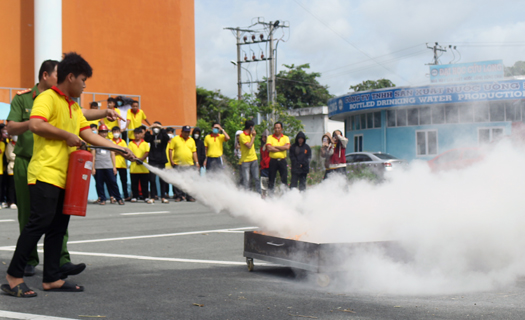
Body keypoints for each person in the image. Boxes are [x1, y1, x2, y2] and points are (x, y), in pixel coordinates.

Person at [2, 52, 134, 297]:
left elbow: (87, 134)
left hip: (65, 176)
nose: (85, 85)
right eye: (83, 79)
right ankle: (13, 275)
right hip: (45, 172)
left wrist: (118, 148)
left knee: (58, 227)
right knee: (38, 224)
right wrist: (65, 135)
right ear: (70, 76)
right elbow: (35, 125)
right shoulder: (47, 98)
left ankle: (52, 278)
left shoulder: (73, 106)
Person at [91, 124, 124, 205]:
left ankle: (118, 198)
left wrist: (114, 167)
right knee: (99, 184)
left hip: (108, 165)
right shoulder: (94, 142)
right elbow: (93, 156)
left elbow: (112, 154)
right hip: (98, 166)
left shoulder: (110, 142)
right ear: (99, 132)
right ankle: (102, 199)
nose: (104, 134)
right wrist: (93, 168)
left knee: (113, 182)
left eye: (105, 132)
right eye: (102, 132)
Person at [168, 125, 198, 202]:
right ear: (182, 131)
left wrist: (196, 162)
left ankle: (189, 196)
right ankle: (179, 196)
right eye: (185, 132)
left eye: (188, 132)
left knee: (189, 181)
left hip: (189, 164)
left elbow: (194, 152)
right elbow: (170, 150)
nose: (186, 134)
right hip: (178, 163)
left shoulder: (192, 140)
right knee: (178, 181)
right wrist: (171, 160)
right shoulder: (175, 139)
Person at [144, 122, 170, 203]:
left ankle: (163, 197)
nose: (156, 129)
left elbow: (167, 138)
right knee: (152, 179)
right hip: (153, 160)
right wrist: (149, 128)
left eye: (157, 127)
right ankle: (152, 197)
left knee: (162, 179)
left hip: (161, 160)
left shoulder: (163, 137)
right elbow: (146, 138)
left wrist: (161, 128)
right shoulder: (152, 137)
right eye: (154, 127)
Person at [266, 122, 291, 193]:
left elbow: (287, 147)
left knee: (284, 179)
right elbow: (269, 148)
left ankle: (285, 194)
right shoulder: (270, 137)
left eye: (278, 128)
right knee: (271, 179)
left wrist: (275, 147)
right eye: (275, 128)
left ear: (281, 129)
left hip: (282, 161)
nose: (277, 129)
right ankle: (270, 196)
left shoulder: (285, 137)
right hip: (273, 161)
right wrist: (281, 148)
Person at [129, 127, 151, 203]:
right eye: (135, 133)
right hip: (134, 167)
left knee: (144, 183)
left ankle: (145, 196)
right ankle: (135, 196)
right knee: (134, 183)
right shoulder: (131, 143)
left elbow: (147, 152)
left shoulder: (145, 143)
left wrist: (141, 159)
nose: (137, 135)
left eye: (138, 133)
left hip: (143, 167)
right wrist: (135, 159)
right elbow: (129, 153)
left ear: (142, 134)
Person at [238, 120, 259, 192]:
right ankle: (246, 195)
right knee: (246, 179)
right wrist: (253, 137)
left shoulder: (251, 134)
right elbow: (249, 146)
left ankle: (259, 194)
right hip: (246, 160)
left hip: (254, 159)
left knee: (256, 178)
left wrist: (252, 135)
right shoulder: (242, 135)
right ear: (251, 127)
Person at [111, 126, 130, 201]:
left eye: (117, 131)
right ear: (112, 133)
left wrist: (115, 151)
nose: (116, 133)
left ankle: (126, 195)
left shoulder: (123, 142)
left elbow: (124, 151)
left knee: (124, 181)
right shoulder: (110, 141)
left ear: (120, 132)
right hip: (113, 165)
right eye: (114, 132)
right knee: (113, 182)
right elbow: (110, 152)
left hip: (122, 165)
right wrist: (119, 151)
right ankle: (114, 196)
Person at [5, 133, 16, 209]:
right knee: (11, 186)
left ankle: (16, 201)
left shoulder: (20, 144)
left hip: (18, 166)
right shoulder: (9, 145)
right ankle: (11, 201)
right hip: (12, 167)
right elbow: (10, 155)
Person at [259, 129, 270, 198]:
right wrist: (260, 166)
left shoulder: (270, 146)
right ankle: (264, 195)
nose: (264, 139)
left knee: (270, 182)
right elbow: (261, 157)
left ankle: (270, 195)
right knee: (263, 182)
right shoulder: (262, 147)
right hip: (263, 167)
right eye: (263, 137)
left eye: (265, 137)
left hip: (270, 166)